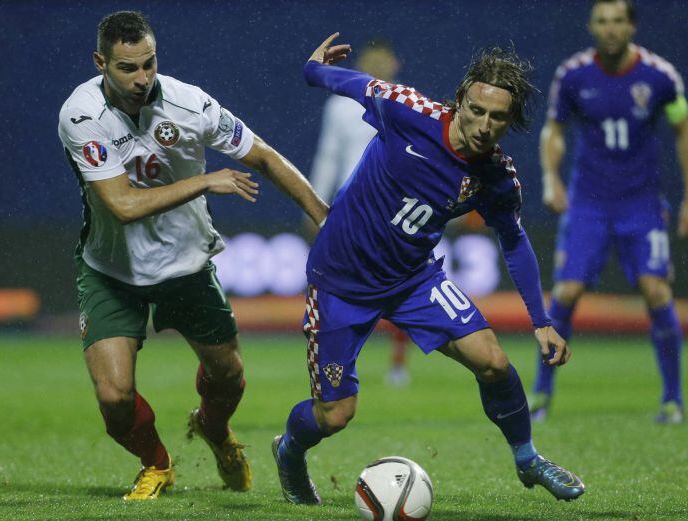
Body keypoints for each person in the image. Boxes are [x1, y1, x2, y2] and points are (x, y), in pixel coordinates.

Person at [272, 33, 585, 506]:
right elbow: (341, 81)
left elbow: (514, 240)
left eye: (497, 117)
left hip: (413, 280)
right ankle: (290, 451)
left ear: (509, 122)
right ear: (459, 101)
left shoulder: (497, 178)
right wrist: (313, 68)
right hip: (340, 281)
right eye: (476, 110)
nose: (483, 124)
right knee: (334, 415)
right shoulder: (406, 110)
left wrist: (541, 321)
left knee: (495, 363)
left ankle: (528, 459)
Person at [57, 11, 327, 500]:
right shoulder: (80, 115)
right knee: (114, 397)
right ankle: (156, 463)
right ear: (100, 62)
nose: (142, 79)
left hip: (185, 266)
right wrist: (205, 180)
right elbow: (121, 205)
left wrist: (324, 218)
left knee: (229, 378)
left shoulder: (190, 103)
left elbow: (264, 155)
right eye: (127, 68)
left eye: (149, 64)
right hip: (111, 270)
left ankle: (215, 430)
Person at [528, 0, 688, 424]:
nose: (610, 29)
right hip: (588, 202)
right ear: (591, 27)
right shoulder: (573, 75)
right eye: (602, 21)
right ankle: (541, 393)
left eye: (618, 21)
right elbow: (554, 129)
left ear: (632, 27)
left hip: (641, 204)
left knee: (656, 291)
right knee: (566, 294)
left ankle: (672, 399)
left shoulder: (659, 76)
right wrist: (551, 179)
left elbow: (684, 130)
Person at [306, 39, 412, 387]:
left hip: (393, 208)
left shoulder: (408, 103)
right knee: (338, 288)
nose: (381, 66)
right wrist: (314, 201)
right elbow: (327, 156)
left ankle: (397, 363)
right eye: (374, 60)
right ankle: (339, 364)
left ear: (395, 63)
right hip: (348, 208)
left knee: (400, 285)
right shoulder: (340, 106)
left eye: (386, 59)